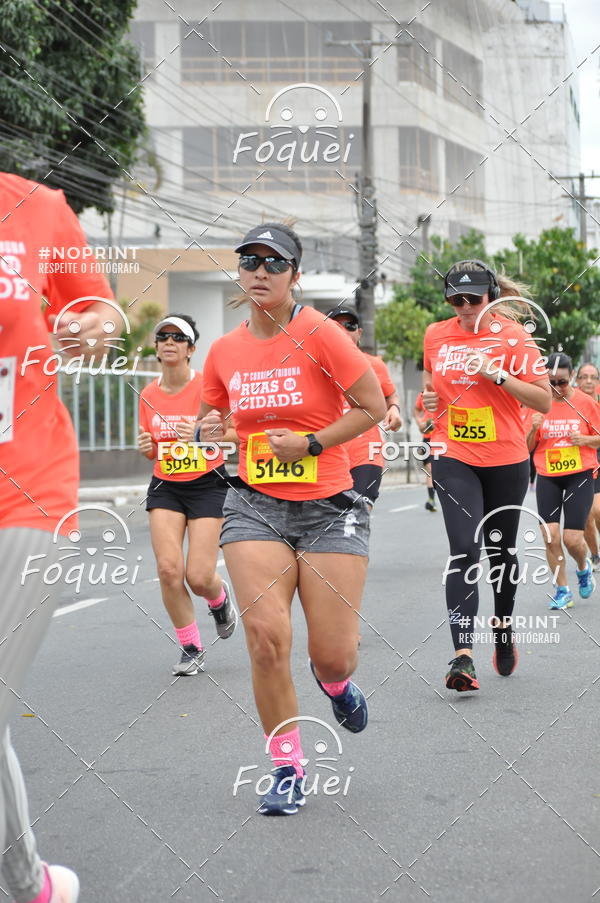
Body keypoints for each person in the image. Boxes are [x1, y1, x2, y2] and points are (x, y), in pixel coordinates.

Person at [197, 223, 386, 814]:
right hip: (254, 505)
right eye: (249, 260)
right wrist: (208, 432)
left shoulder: (321, 334)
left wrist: (309, 445)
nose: (259, 270)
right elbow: (214, 421)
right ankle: (286, 766)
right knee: (266, 639)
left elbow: (372, 408)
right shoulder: (226, 351)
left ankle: (335, 686)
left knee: (333, 653)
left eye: (273, 263)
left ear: (294, 275)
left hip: (330, 507)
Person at [0, 172, 123, 902]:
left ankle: (27, 885)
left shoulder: (36, 208)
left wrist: (94, 326)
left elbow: (98, 307)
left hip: (26, 489)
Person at [422, 261, 551, 692]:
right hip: (453, 454)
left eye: (472, 299)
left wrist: (497, 374)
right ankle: (463, 655)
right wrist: (429, 404)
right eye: (455, 300)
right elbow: (432, 386)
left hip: (506, 458)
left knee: (501, 555)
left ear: (491, 297)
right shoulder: (436, 335)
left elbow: (544, 400)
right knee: (464, 549)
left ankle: (503, 626)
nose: (464, 308)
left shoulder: (514, 337)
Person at [137, 314, 237, 676]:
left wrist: (197, 431)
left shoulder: (207, 390)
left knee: (198, 575)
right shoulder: (147, 394)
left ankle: (218, 598)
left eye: (178, 337)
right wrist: (147, 446)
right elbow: (152, 450)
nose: (169, 342)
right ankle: (191, 647)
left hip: (207, 482)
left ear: (191, 348)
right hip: (166, 485)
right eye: (163, 336)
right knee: (167, 570)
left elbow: (232, 432)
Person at [526, 353, 600, 608]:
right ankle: (562, 590)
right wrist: (534, 429)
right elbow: (527, 447)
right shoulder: (536, 404)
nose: (557, 388)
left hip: (579, 474)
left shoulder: (586, 403)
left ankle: (583, 565)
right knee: (550, 535)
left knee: (571, 539)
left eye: (562, 382)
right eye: (551, 383)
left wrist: (585, 440)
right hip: (547, 475)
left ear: (572, 378)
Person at [325, 305, 401, 507]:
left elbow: (390, 395)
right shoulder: (313, 366)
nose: (343, 331)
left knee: (357, 515)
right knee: (332, 523)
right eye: (335, 326)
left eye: (349, 326)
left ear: (359, 333)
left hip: (366, 455)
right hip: (328, 456)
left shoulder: (374, 365)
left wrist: (394, 409)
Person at [575, 362, 600, 570]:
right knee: (587, 514)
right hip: (580, 460)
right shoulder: (569, 403)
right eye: (584, 377)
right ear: (577, 379)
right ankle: (595, 555)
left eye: (593, 377)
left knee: (598, 510)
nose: (589, 381)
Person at [413, 391, 437, 511]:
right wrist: (420, 422)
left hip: (445, 438)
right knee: (430, 470)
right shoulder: (423, 394)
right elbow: (416, 410)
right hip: (428, 438)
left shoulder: (448, 389)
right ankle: (431, 500)